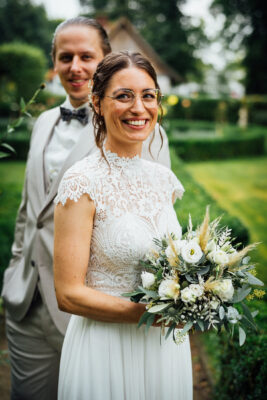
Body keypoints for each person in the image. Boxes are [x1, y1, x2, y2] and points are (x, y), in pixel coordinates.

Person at [1, 17, 171, 400]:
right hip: (27, 303)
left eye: (86, 56)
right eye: (65, 57)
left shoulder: (143, 129)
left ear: (106, 59)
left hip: (97, 313)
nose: (75, 67)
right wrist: (14, 274)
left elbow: (153, 223)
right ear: (55, 63)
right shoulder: (43, 122)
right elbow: (30, 212)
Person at [54, 51, 192, 400]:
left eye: (148, 95)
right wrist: (150, 315)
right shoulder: (82, 182)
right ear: (97, 104)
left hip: (164, 349)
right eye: (124, 96)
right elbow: (68, 293)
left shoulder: (164, 180)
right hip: (105, 350)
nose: (139, 108)